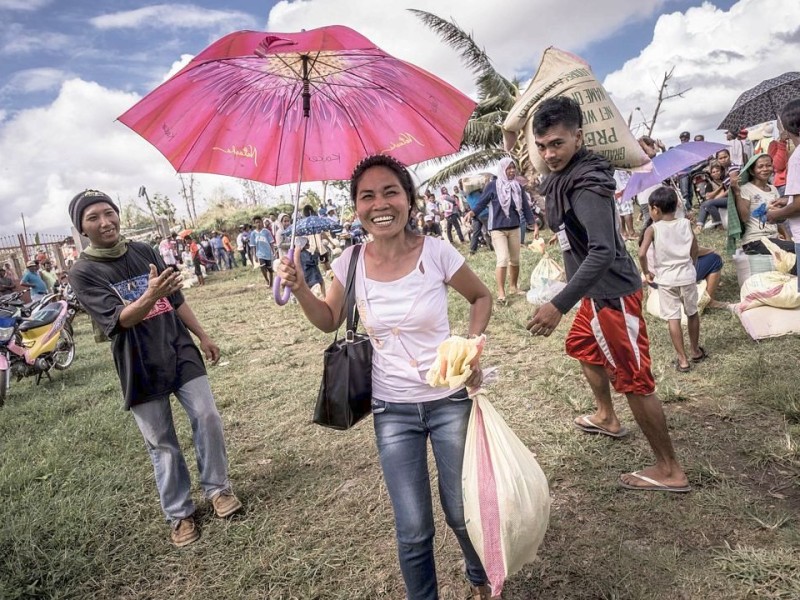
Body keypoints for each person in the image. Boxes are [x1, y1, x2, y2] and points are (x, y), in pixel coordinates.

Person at [275, 154, 494, 600]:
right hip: (392, 409)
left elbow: (480, 297)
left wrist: (471, 346)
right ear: (356, 206)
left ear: (409, 200)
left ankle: (480, 576)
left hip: (449, 399)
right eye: (366, 196)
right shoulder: (349, 261)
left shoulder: (436, 252)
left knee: (459, 509)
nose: (380, 203)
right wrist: (300, 289)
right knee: (413, 528)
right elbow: (329, 319)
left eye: (390, 191)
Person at [526, 96, 690, 493]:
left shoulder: (587, 185)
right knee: (583, 346)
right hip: (594, 296)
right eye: (542, 145)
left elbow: (603, 250)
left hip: (613, 296)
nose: (549, 153)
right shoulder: (564, 175)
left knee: (635, 380)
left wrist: (558, 304)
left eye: (558, 144)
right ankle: (606, 417)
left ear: (578, 137)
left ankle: (669, 469)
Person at [66, 190, 241, 547]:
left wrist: (203, 336)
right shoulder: (82, 272)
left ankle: (218, 489)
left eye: (109, 212)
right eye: (93, 218)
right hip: (138, 363)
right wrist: (149, 294)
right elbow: (119, 321)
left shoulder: (144, 251)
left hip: (178, 348)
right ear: (82, 228)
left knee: (207, 415)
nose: (105, 222)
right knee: (161, 442)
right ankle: (179, 513)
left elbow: (175, 299)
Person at [638, 187, 706, 372]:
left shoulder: (652, 229)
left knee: (673, 318)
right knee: (692, 313)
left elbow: (642, 253)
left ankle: (682, 360)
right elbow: (694, 246)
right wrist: (691, 263)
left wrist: (646, 272)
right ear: (676, 206)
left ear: (655, 209)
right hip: (687, 275)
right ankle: (695, 351)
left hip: (667, 280)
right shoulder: (685, 223)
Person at [468, 157, 535, 305]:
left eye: (513, 168)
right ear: (502, 170)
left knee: (515, 260)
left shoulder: (517, 186)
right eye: (508, 168)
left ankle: (513, 287)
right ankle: (501, 293)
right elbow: (482, 203)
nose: (512, 171)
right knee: (503, 258)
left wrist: (534, 224)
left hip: (515, 227)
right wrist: (471, 213)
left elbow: (525, 206)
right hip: (497, 229)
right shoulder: (493, 186)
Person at [730, 153, 796, 265]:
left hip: (773, 238)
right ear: (752, 171)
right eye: (760, 166)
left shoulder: (773, 189)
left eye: (768, 165)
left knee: (795, 248)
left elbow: (777, 217)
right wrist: (737, 193)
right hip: (755, 241)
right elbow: (745, 218)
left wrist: (787, 237)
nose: (765, 169)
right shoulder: (746, 189)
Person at [767, 100, 800, 252]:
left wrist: (775, 214)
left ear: (787, 127)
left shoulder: (797, 158)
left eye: (779, 123)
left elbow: (798, 206)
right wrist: (788, 200)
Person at [695, 160, 729, 232]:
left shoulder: (725, 181)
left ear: (721, 171)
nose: (716, 173)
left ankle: (701, 225)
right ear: (711, 174)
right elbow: (708, 196)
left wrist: (717, 197)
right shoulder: (710, 184)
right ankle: (699, 226)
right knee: (706, 204)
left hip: (726, 202)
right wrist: (719, 188)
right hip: (716, 205)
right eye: (713, 172)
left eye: (717, 171)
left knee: (706, 204)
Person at [250, 215, 276, 289]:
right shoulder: (253, 234)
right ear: (254, 224)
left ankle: (271, 283)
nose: (258, 224)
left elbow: (271, 242)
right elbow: (253, 246)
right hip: (260, 253)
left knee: (270, 269)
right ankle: (267, 280)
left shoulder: (266, 232)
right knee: (262, 266)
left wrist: (273, 251)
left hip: (268, 253)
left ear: (262, 222)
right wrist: (255, 256)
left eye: (259, 222)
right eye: (256, 222)